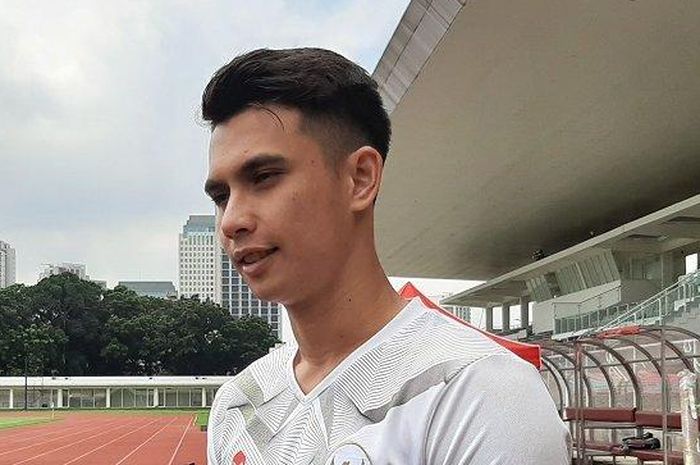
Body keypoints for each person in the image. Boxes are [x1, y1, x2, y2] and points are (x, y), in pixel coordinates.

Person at [202, 47, 570, 465]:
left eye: (264, 177)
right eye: (220, 196)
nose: (232, 220)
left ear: (360, 178)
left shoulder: (477, 392)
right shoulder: (238, 405)